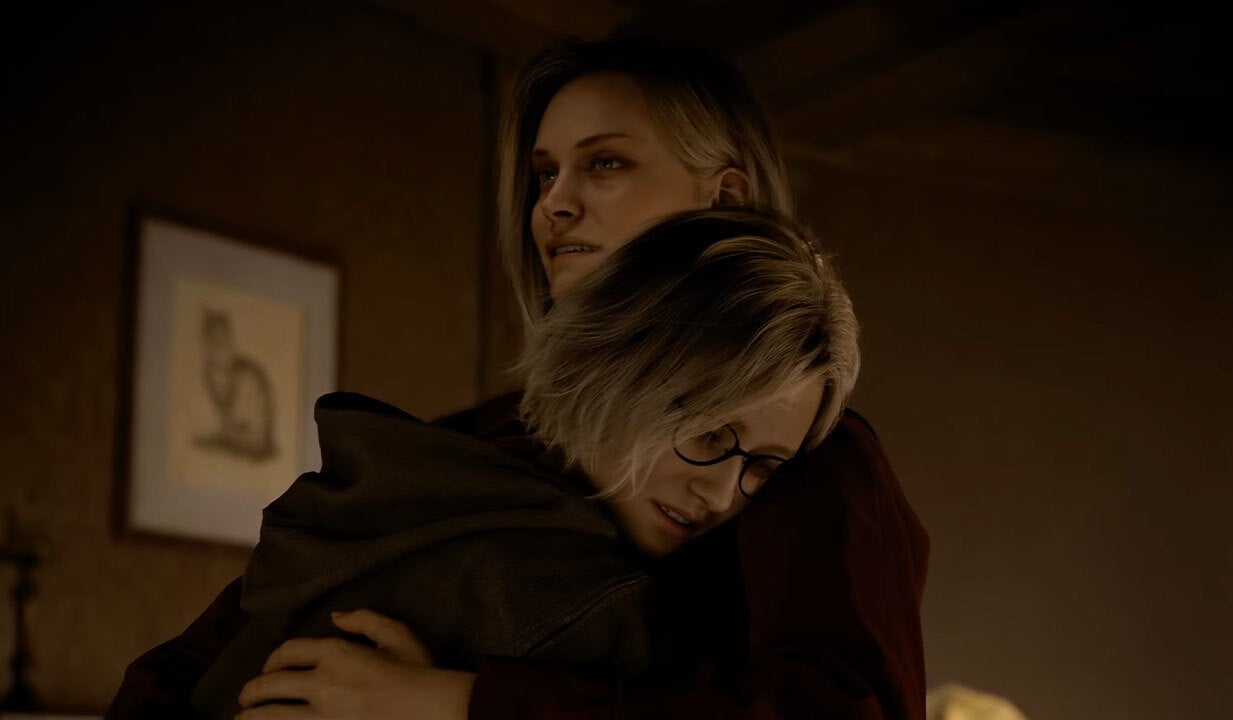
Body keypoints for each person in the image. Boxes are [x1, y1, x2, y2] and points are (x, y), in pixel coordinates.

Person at [105, 35, 929, 720]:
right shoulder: (483, 435)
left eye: (605, 164)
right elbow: (215, 642)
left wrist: (458, 701)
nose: (554, 204)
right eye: (545, 173)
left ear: (725, 199)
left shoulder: (812, 455)